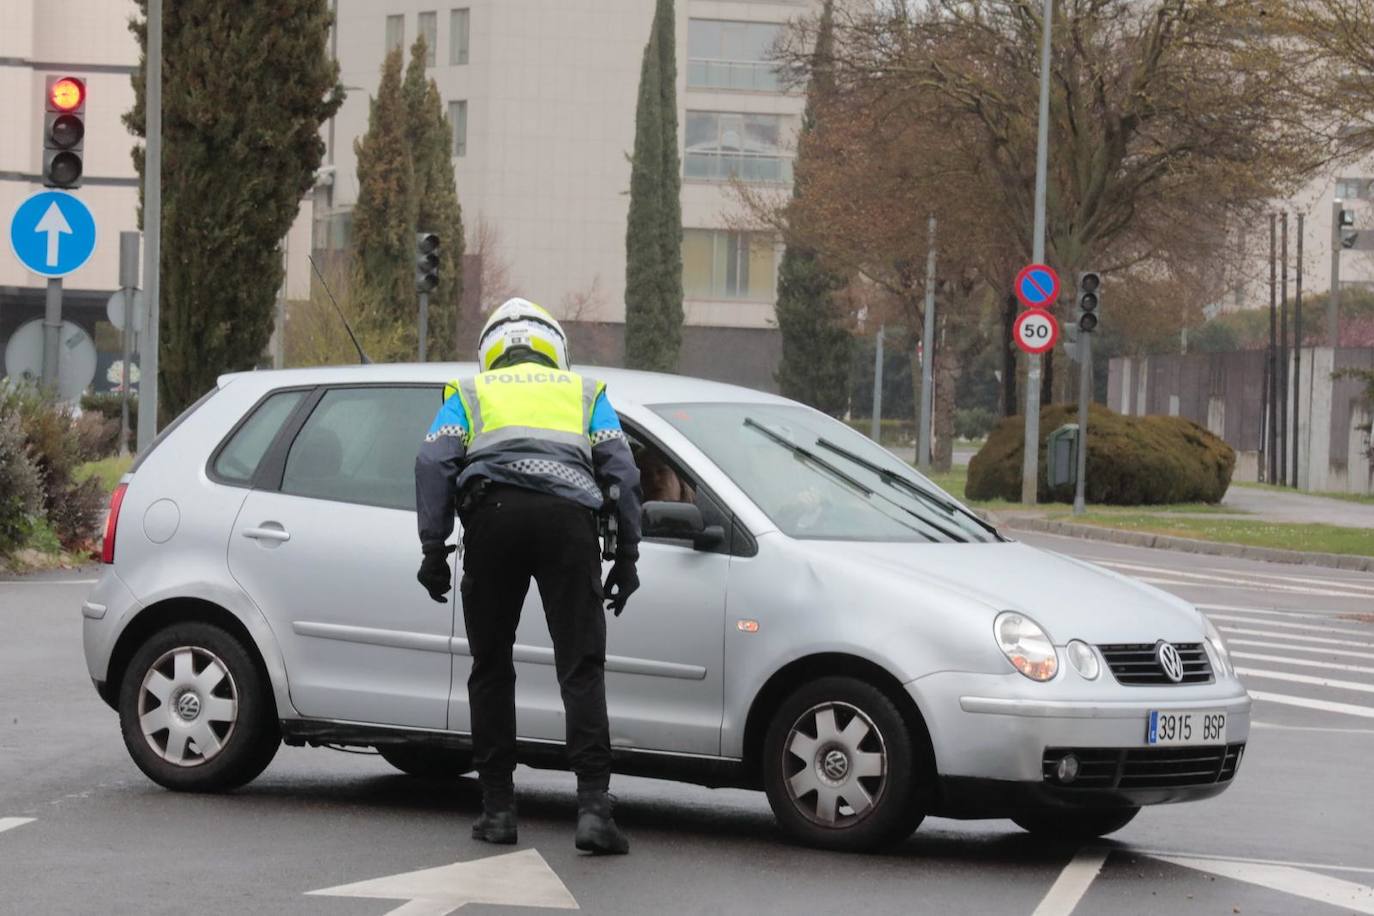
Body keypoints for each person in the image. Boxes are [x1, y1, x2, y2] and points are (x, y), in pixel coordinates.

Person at [414, 297, 642, 855]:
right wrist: (628, 556)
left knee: (491, 668)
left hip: (492, 520)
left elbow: (431, 463)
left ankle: (497, 811)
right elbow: (623, 470)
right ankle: (592, 811)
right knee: (581, 668)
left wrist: (433, 548)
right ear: (553, 348)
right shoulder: (585, 393)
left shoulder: (469, 393)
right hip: (569, 524)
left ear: (491, 349)